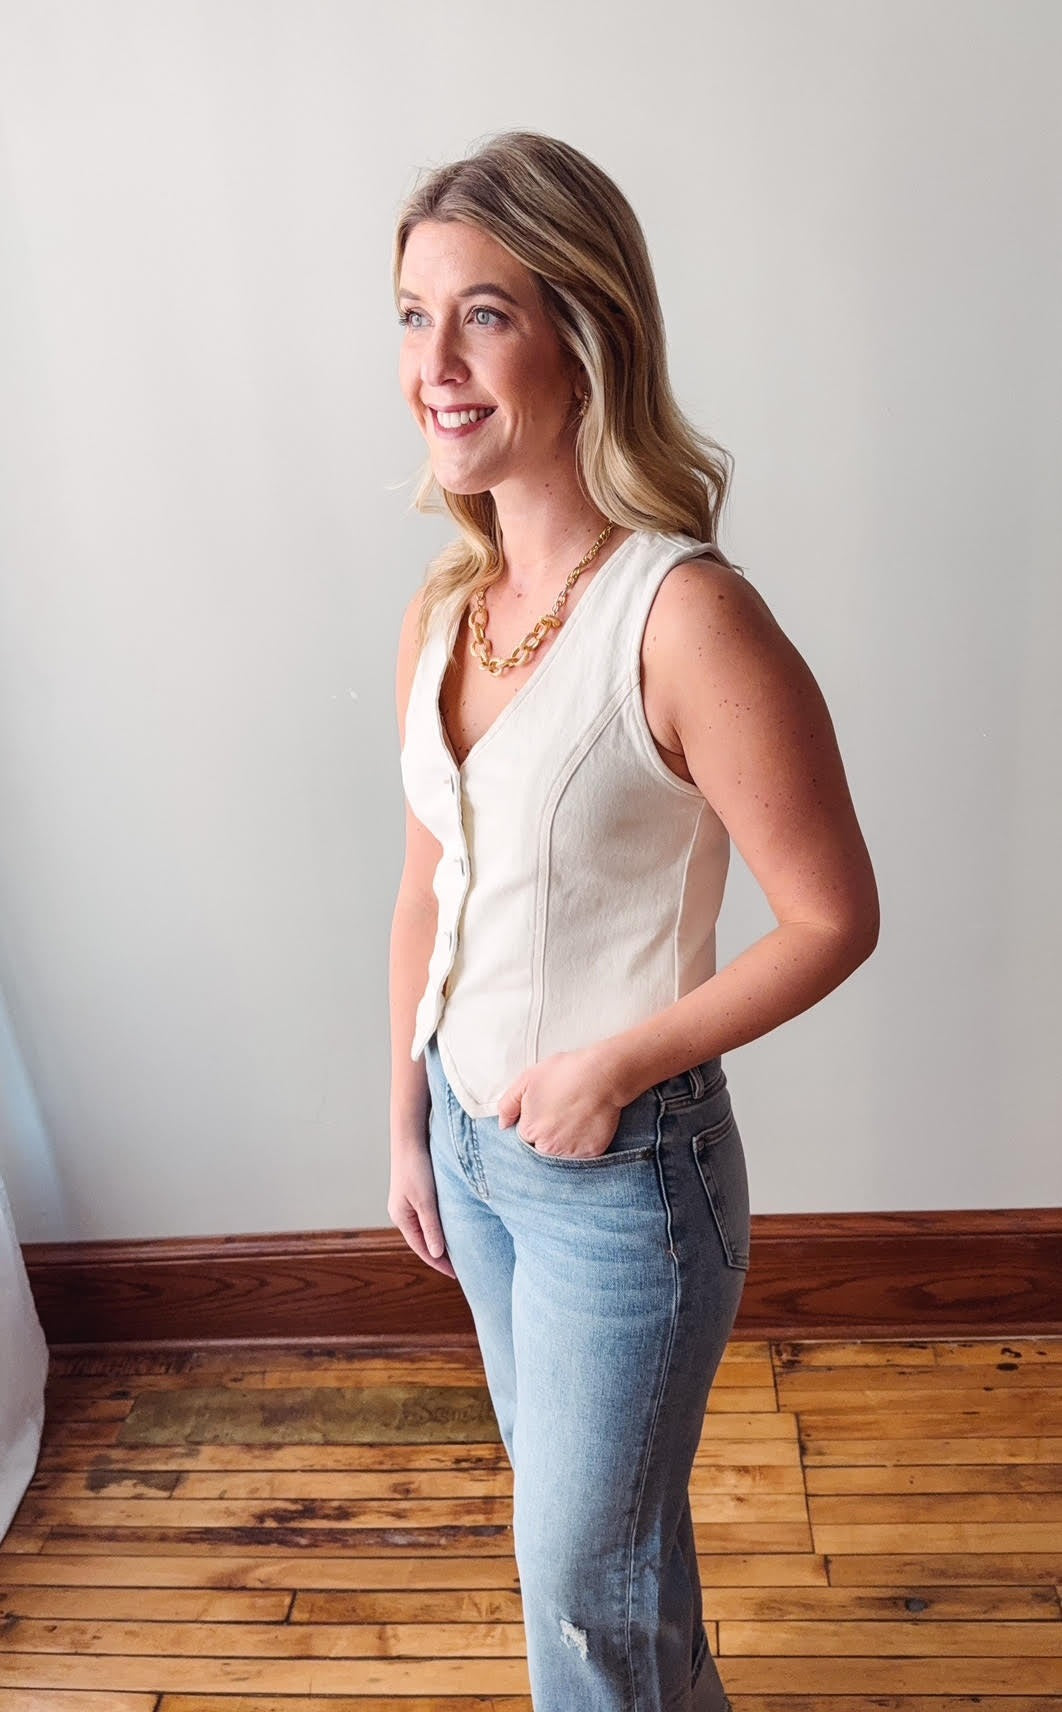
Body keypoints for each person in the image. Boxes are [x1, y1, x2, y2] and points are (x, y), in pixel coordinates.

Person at [387, 130, 879, 1712]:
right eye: (410, 315)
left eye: (483, 314)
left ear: (584, 332)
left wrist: (610, 1068)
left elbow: (830, 916)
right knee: (607, 1564)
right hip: (471, 1156)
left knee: (577, 1589)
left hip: (620, 1182)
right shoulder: (445, 608)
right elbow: (428, 885)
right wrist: (406, 1123)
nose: (434, 364)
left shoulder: (684, 616)